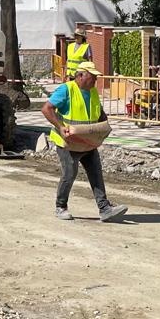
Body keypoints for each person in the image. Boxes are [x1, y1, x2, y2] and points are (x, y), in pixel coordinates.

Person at [41, 62, 128, 223]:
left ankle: (104, 208)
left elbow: (99, 113)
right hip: (67, 142)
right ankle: (61, 206)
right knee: (69, 174)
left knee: (96, 173)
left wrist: (103, 128)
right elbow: (47, 108)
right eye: (92, 76)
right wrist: (60, 127)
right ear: (80, 75)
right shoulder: (67, 89)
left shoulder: (93, 91)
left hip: (87, 142)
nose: (95, 79)